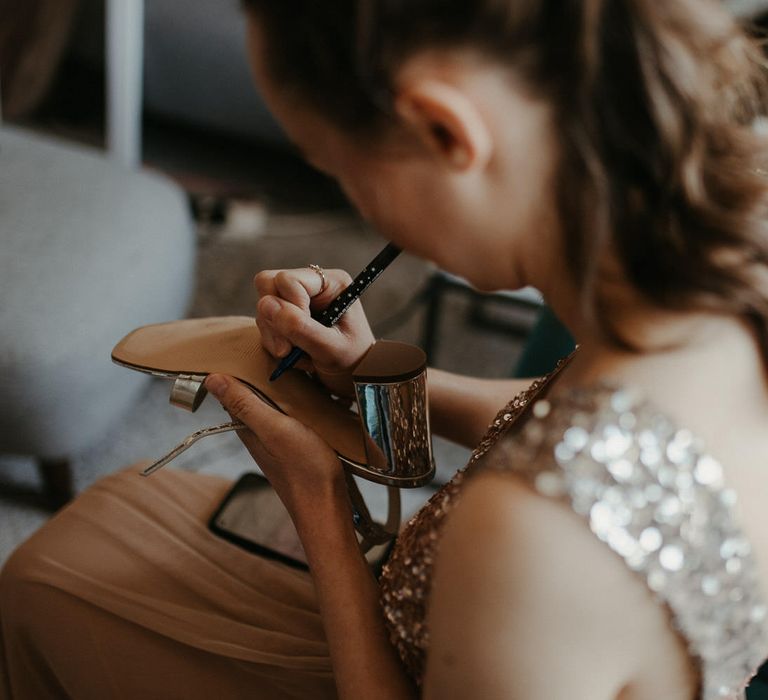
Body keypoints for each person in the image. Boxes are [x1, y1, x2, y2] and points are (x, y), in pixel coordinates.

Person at [3, 0, 768, 697]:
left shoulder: (535, 541)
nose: (360, 208)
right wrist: (378, 380)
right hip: (473, 622)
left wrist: (322, 507)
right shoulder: (715, 263)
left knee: (43, 583)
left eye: (336, 168)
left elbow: (574, 487)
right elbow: (579, 425)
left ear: (442, 132)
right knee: (109, 521)